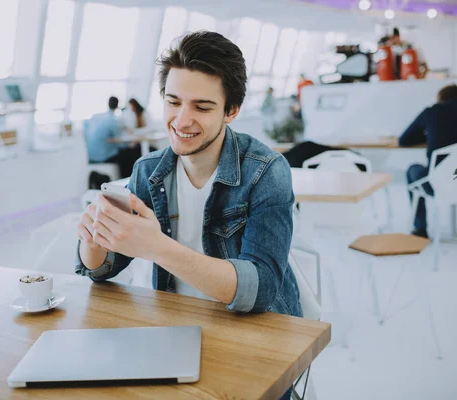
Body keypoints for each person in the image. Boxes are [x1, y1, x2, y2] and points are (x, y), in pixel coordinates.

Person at [76, 31, 300, 400]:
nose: (182, 120)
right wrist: (94, 235)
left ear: (231, 110)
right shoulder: (148, 170)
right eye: (173, 101)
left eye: (202, 106)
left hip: (255, 339)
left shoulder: (266, 171)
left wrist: (157, 246)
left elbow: (260, 289)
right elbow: (101, 269)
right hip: (173, 333)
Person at [399, 84, 457, 238]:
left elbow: (404, 140)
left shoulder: (432, 112)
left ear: (441, 99)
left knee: (412, 170)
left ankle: (420, 229)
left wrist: (430, 133)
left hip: (437, 184)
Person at [84, 96, 140, 179]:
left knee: (126, 153)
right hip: (103, 157)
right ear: (117, 105)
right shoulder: (113, 120)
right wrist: (131, 144)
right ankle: (130, 180)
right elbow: (121, 143)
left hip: (90, 156)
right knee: (132, 153)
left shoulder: (96, 117)